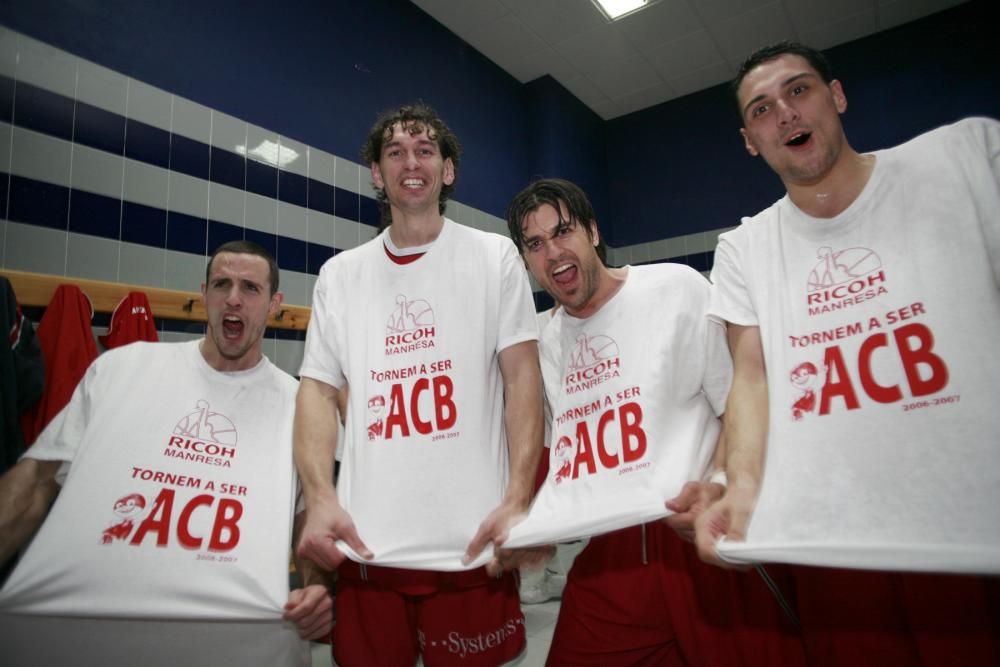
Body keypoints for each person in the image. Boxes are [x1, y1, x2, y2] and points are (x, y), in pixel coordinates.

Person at [698, 41, 1000, 665]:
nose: (784, 113)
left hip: (970, 525)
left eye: (798, 90)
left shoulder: (967, 158)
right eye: (761, 109)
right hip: (833, 539)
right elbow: (749, 379)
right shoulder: (744, 248)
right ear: (750, 139)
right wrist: (742, 484)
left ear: (835, 97)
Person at [504, 178, 804, 666]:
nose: (552, 252)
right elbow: (575, 458)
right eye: (535, 244)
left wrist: (725, 483)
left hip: (698, 535)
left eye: (563, 231)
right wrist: (539, 524)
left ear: (593, 232)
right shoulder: (550, 340)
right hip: (614, 556)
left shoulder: (675, 289)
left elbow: (738, 402)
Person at [0, 240, 332, 666]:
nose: (233, 298)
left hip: (233, 647)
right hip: (79, 639)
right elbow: (34, 482)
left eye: (250, 288)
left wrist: (315, 585)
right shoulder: (121, 370)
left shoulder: (300, 404)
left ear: (273, 304)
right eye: (221, 284)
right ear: (204, 293)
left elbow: (311, 515)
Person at [293, 103, 543, 666]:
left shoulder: (493, 255)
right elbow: (315, 390)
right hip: (368, 547)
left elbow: (522, 379)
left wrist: (518, 499)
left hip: (471, 546)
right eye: (396, 152)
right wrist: (318, 499)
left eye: (426, 150)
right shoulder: (340, 274)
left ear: (447, 170)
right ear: (377, 174)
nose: (412, 162)